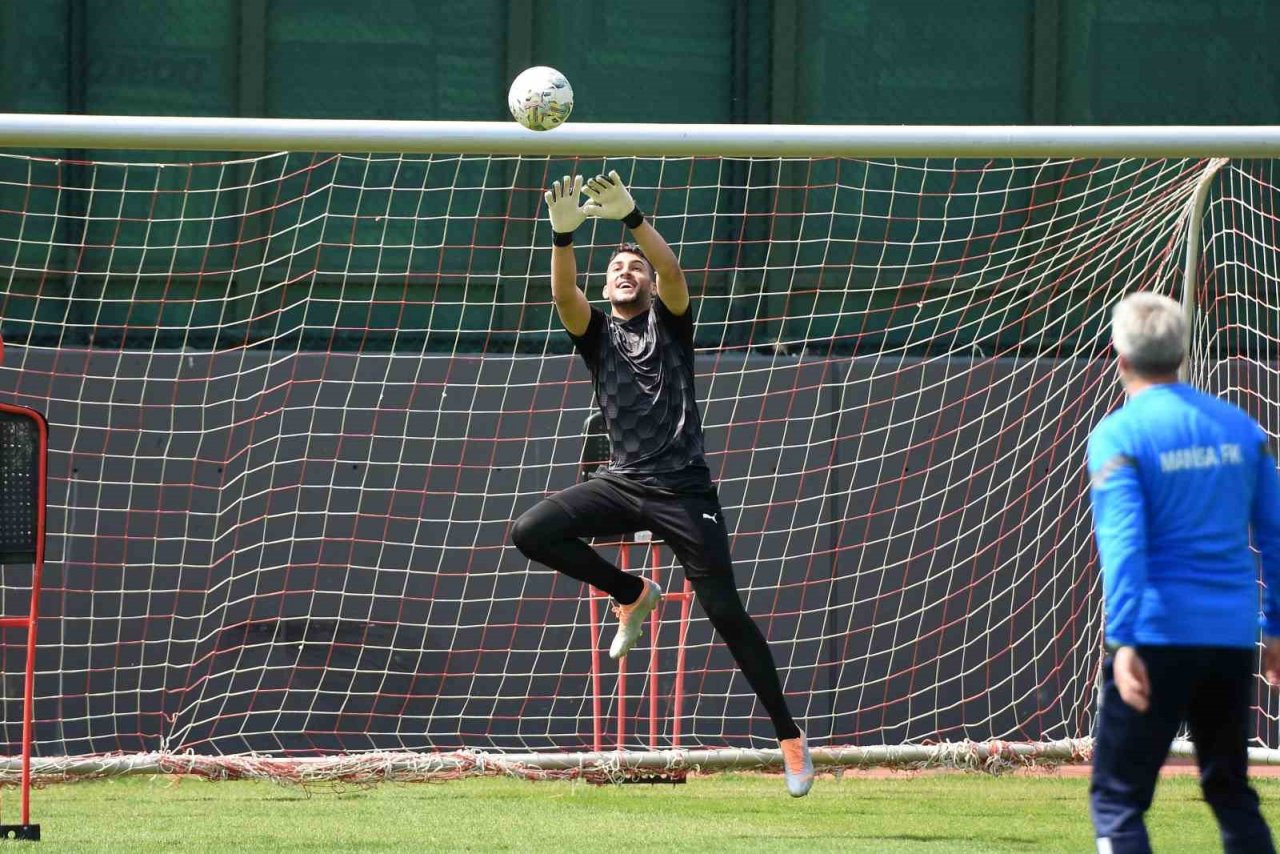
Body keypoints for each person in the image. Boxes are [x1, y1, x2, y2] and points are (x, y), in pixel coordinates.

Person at [510, 171, 814, 797]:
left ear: (647, 284)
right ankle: (632, 592)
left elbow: (673, 274)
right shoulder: (594, 333)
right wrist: (562, 237)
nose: (627, 271)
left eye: (635, 268)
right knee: (531, 531)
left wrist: (634, 222)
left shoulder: (671, 323)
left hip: (684, 493)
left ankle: (788, 736)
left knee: (725, 613)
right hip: (622, 483)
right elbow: (564, 295)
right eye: (618, 267)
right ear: (605, 285)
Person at [1087, 291, 1280, 853]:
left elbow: (1123, 548)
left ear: (1117, 357)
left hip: (1153, 637)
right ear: (1184, 353)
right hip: (1227, 640)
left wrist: (1121, 641)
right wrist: (1274, 627)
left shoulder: (1117, 436)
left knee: (1118, 801)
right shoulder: (1242, 430)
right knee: (1229, 790)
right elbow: (1275, 534)